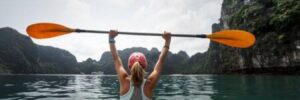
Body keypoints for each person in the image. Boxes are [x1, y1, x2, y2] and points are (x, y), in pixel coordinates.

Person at [109, 30, 171, 100]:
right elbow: (161, 60)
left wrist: (111, 38)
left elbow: (116, 58)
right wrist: (167, 40)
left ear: (129, 66)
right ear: (145, 66)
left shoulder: (124, 80)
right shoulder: (149, 84)